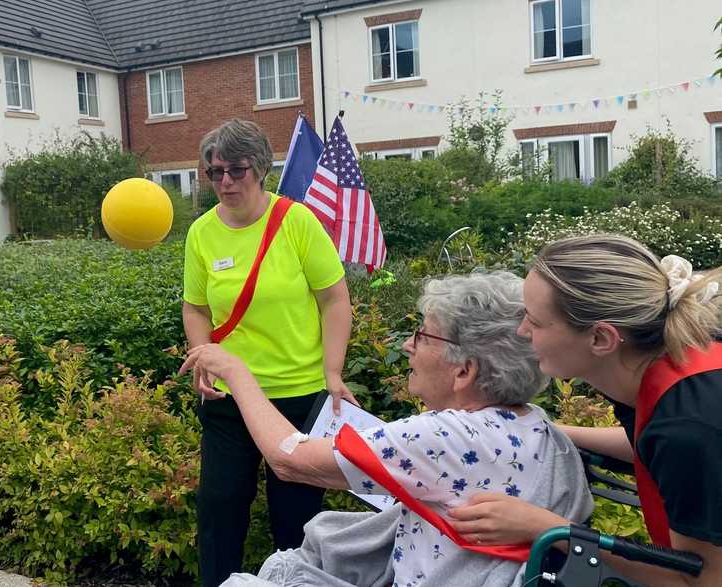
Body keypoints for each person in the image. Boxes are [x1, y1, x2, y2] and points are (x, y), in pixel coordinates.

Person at [182, 271, 593, 587]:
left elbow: (290, 459)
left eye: (423, 335)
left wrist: (236, 373)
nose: (409, 346)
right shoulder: (535, 425)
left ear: (464, 370)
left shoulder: (442, 437)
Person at [448, 235, 722, 586]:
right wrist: (546, 428)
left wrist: (545, 528)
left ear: (600, 339)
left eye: (535, 321)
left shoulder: (689, 428)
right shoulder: (673, 368)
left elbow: (699, 581)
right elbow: (650, 444)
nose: (522, 330)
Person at [183, 118, 354, 586]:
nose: (224, 182)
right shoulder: (201, 233)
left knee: (295, 518)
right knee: (219, 506)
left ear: (260, 168)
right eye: (213, 172)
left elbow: (335, 300)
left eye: (235, 170)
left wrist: (333, 371)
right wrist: (203, 357)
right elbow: (195, 305)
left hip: (297, 394)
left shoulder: (297, 222)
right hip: (229, 398)